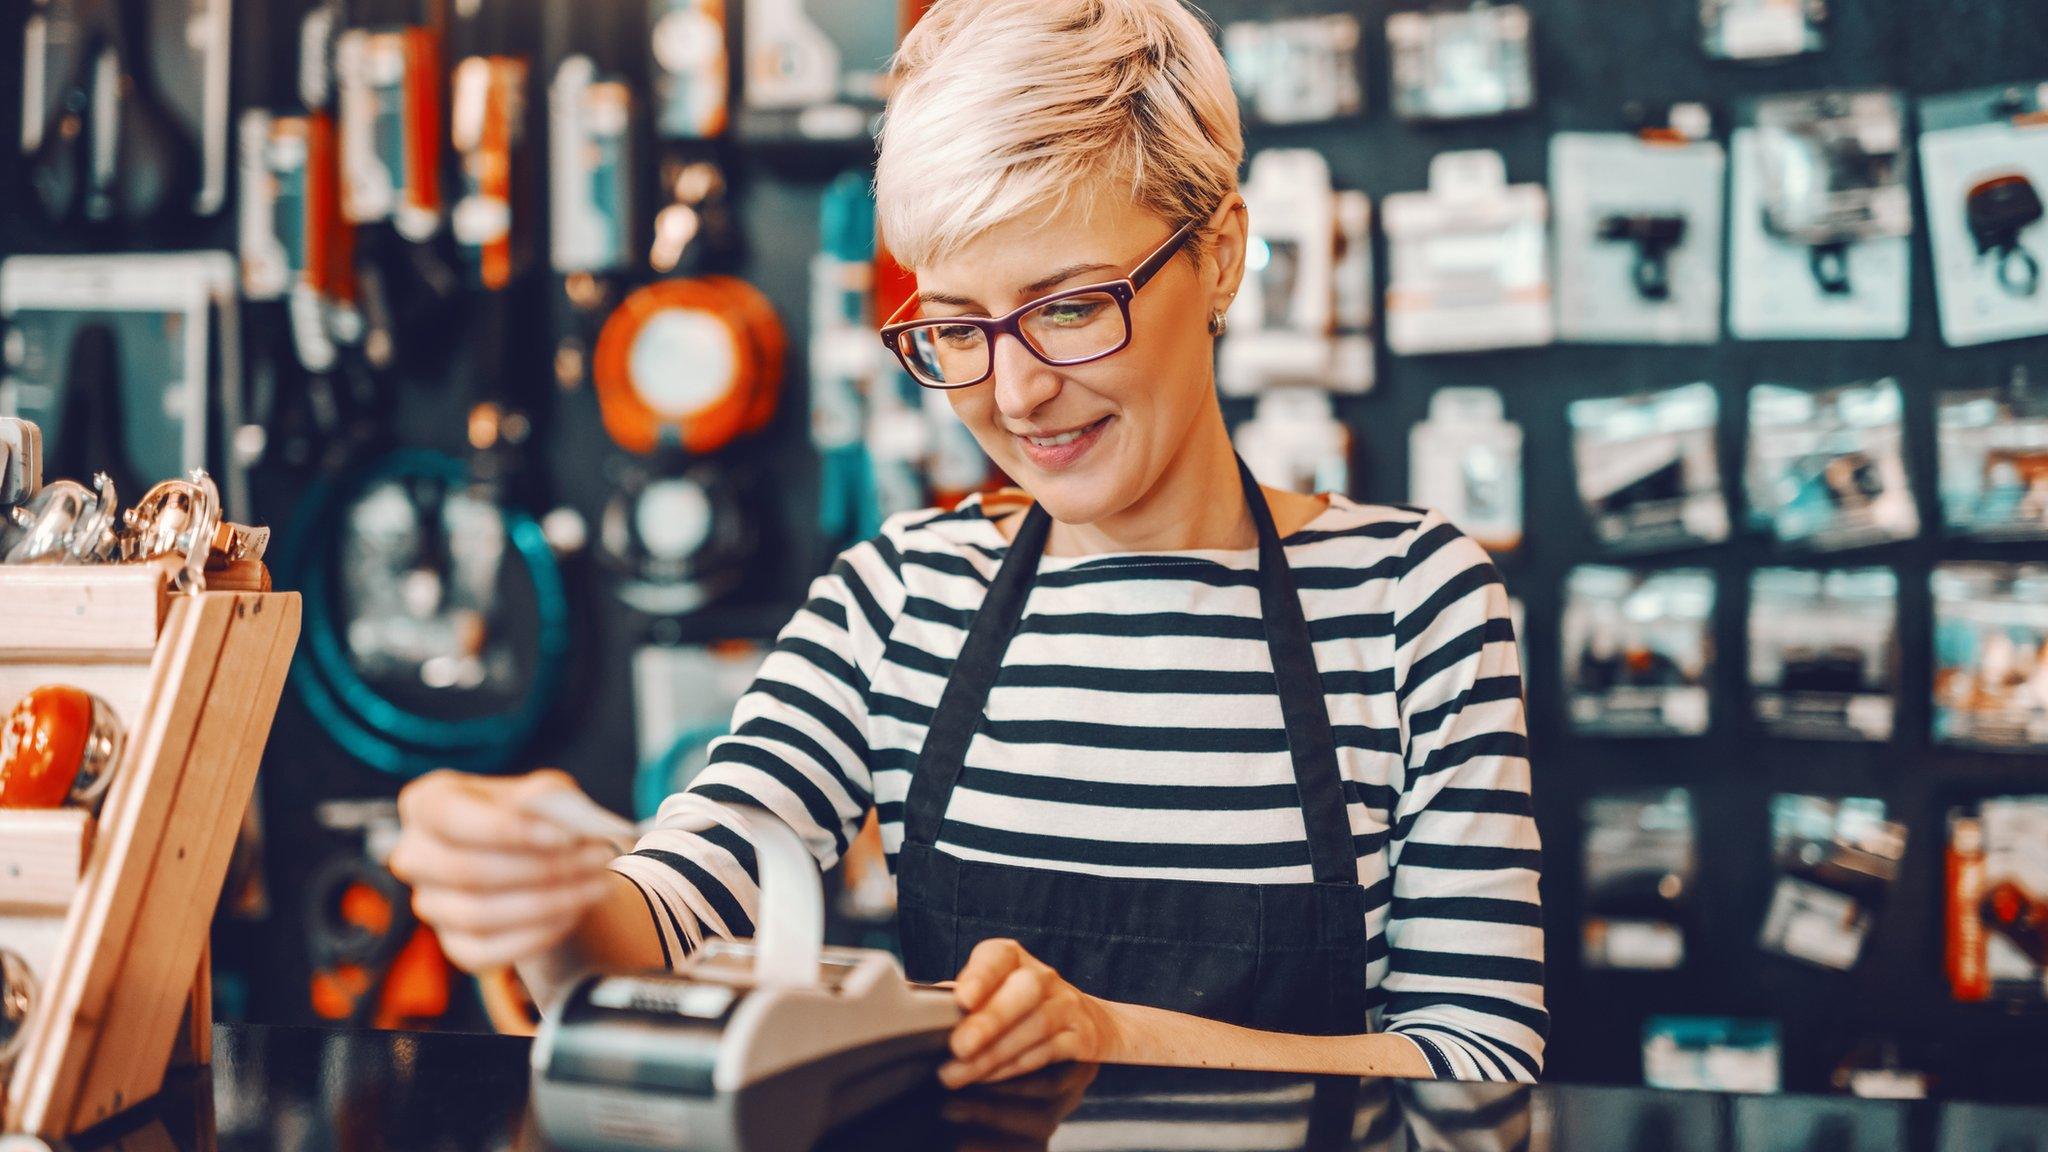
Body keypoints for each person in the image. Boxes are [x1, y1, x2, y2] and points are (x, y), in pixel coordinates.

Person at [390, 0, 1545, 1087]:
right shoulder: (897, 600)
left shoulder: (1410, 605)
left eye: (1068, 307)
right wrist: (544, 907)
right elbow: (673, 910)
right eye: (954, 327)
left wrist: (1108, 1036)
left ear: (1222, 256)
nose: (1016, 392)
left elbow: (1479, 1063)